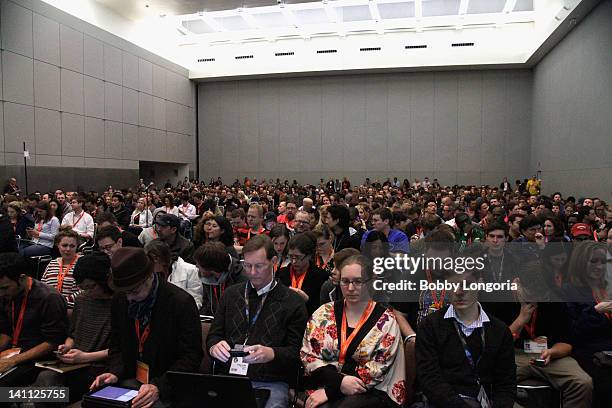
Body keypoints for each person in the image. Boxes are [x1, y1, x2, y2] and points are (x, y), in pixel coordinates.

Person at [91, 247, 202, 408]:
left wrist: (159, 386)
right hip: (131, 379)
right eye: (125, 292)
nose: (129, 298)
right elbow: (116, 345)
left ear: (149, 277)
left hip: (169, 384)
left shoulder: (180, 302)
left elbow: (191, 357)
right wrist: (114, 372)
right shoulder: (120, 299)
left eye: (134, 291)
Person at [207, 235, 308, 408]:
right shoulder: (231, 295)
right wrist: (214, 346)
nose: (252, 272)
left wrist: (272, 353)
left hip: (271, 381)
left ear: (274, 261)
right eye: (247, 266)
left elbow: (297, 354)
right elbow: (214, 335)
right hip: (229, 377)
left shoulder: (293, 302)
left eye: (259, 266)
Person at [301, 255, 406, 408]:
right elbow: (308, 356)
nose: (350, 288)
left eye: (358, 281)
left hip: (373, 390)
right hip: (326, 383)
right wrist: (338, 383)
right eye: (345, 281)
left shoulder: (386, 320)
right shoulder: (324, 313)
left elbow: (377, 370)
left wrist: (331, 392)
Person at [416, 268, 517, 408]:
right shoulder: (430, 326)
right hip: (443, 403)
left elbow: (506, 385)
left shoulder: (499, 330)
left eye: (467, 285)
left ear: (479, 284)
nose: (458, 292)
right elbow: (430, 379)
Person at [32, 252, 113, 403]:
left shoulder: (119, 303)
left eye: (91, 287)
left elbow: (119, 349)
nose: (88, 291)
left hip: (99, 366)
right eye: (83, 288)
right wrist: (66, 347)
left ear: (104, 280)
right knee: (44, 381)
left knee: (52, 391)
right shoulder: (82, 299)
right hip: (75, 363)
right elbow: (73, 335)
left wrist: (84, 357)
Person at [0, 253, 67, 386]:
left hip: (38, 358)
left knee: (3, 389)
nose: (1, 293)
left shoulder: (48, 298)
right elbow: (6, 332)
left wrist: (15, 360)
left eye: (5, 288)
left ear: (22, 278)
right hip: (13, 353)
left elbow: (53, 342)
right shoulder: (5, 296)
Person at [565, 241, 612, 408]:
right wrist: (597, 310)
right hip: (589, 355)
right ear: (580, 262)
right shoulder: (569, 291)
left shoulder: (607, 288)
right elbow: (572, 333)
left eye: (604, 262)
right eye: (593, 261)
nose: (599, 266)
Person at [277, 233, 329, 315]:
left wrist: (307, 300)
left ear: (309, 256)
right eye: (291, 256)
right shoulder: (281, 274)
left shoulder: (320, 276)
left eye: (298, 257)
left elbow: (323, 310)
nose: (294, 261)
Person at [144, 240, 203, 310]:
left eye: (150, 261)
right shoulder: (150, 275)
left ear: (157, 259)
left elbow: (196, 302)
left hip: (182, 314)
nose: (148, 265)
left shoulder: (191, 270)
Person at [194, 241, 246, 316]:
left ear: (211, 268)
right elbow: (206, 304)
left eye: (199, 265)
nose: (196, 266)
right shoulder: (207, 277)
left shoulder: (242, 280)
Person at [41, 227, 82, 304]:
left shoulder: (82, 263)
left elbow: (85, 291)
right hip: (51, 307)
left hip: (73, 309)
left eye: (72, 246)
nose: (68, 249)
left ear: (77, 246)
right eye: (64, 245)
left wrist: (62, 302)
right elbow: (43, 287)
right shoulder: (52, 263)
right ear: (58, 245)